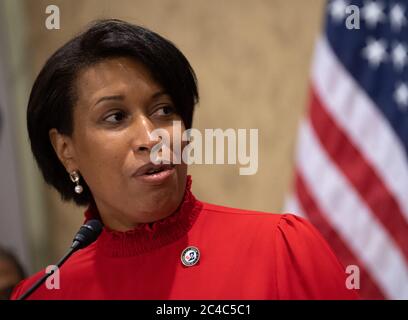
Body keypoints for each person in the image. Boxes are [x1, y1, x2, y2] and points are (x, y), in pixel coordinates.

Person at [11, 19, 357, 300]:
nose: (152, 137)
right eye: (115, 117)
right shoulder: (43, 293)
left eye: (164, 110)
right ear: (65, 150)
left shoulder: (280, 249)